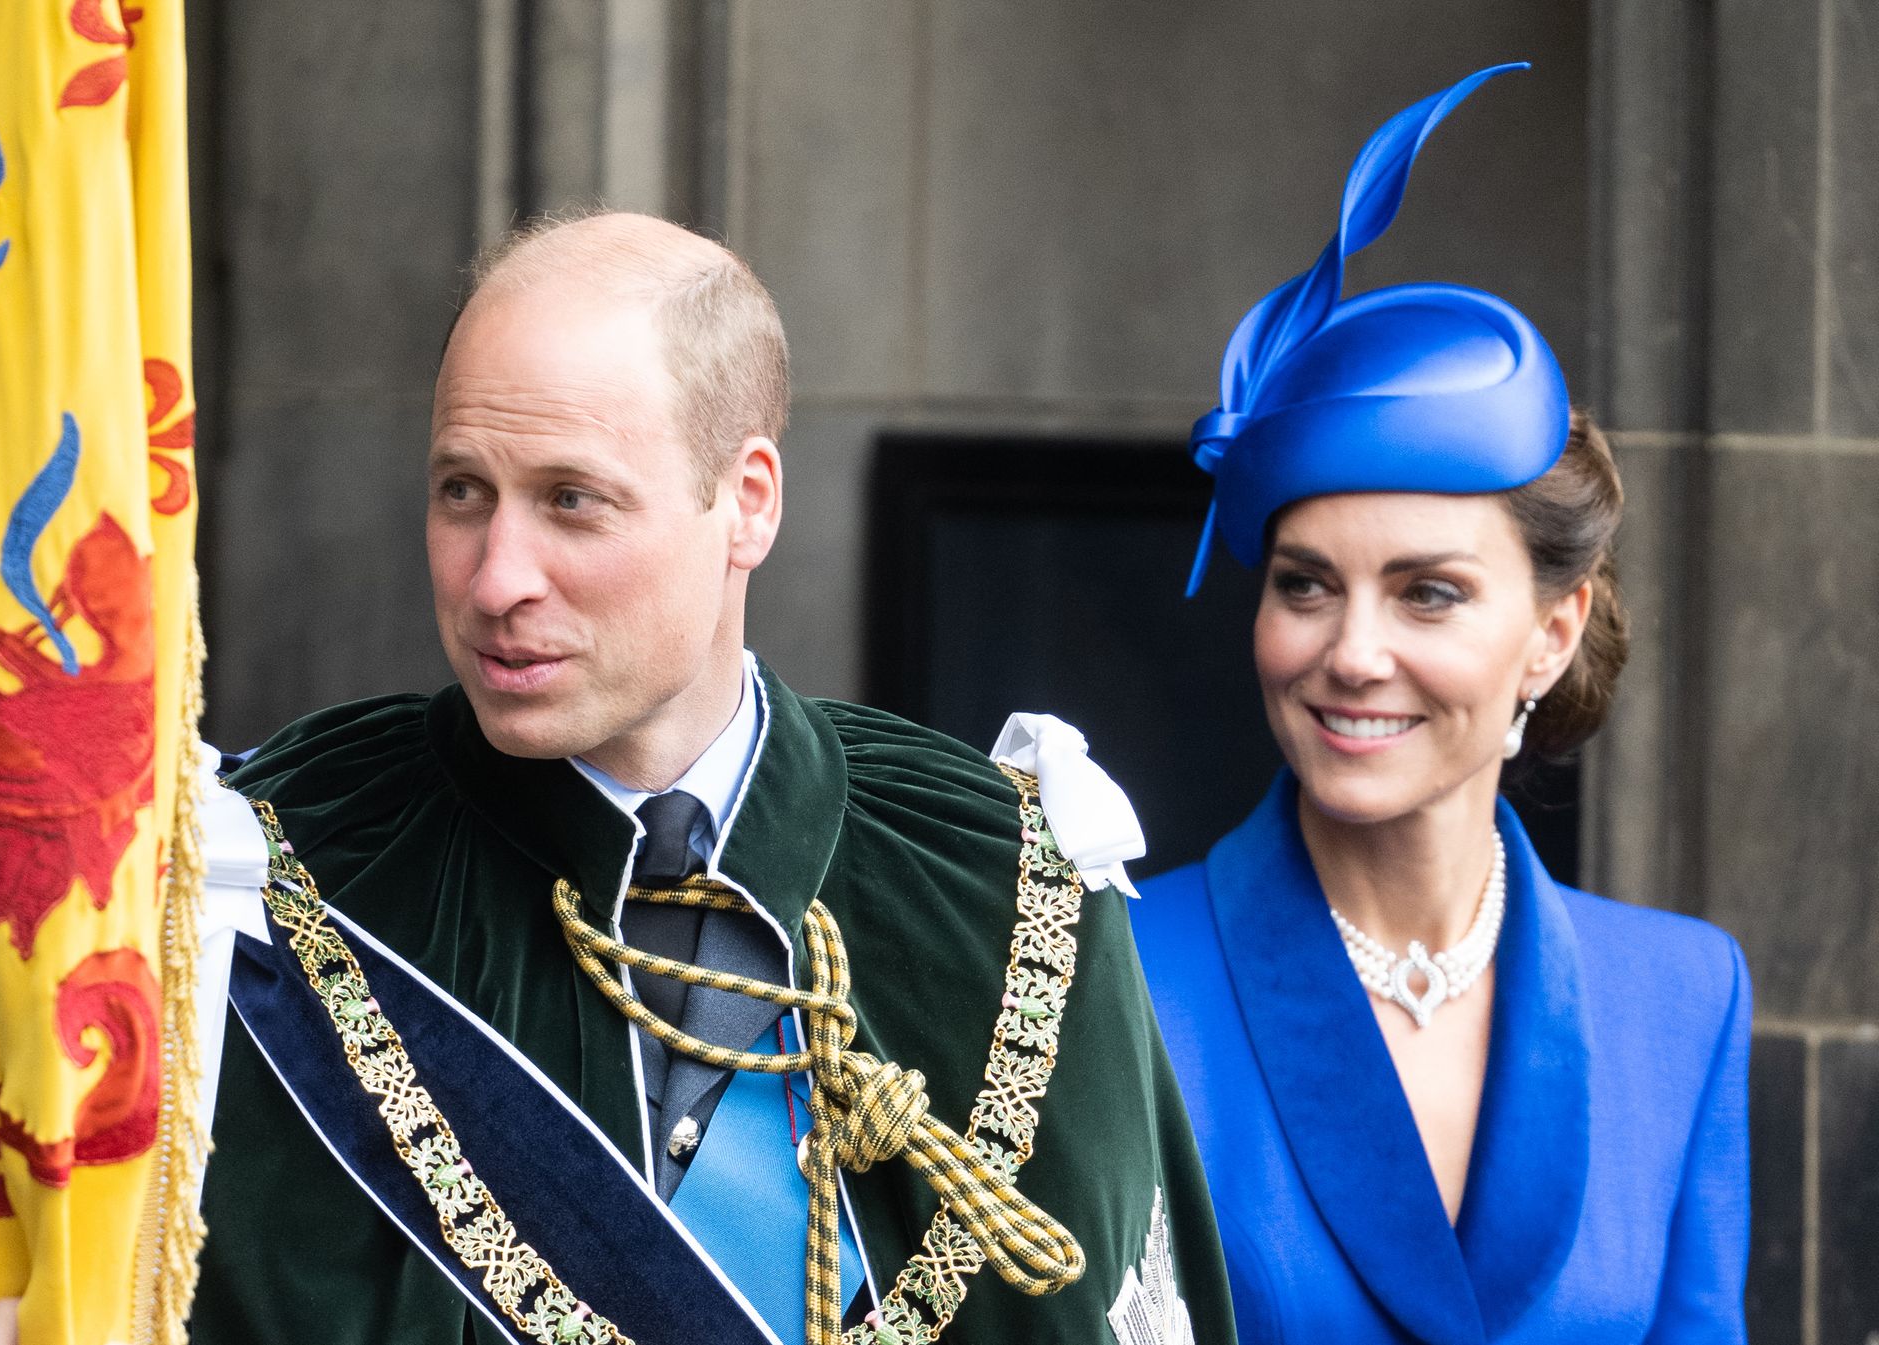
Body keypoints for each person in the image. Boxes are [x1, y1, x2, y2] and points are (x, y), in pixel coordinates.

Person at [170, 212, 1235, 1345]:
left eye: (571, 498)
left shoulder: (1002, 874)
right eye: (462, 491)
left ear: (750, 501)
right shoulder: (267, 870)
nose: (495, 579)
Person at [1129, 65, 1749, 1344]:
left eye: (1427, 595)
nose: (1351, 653)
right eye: (1307, 586)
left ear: (1549, 633)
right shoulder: (1117, 977)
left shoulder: (1682, 998)